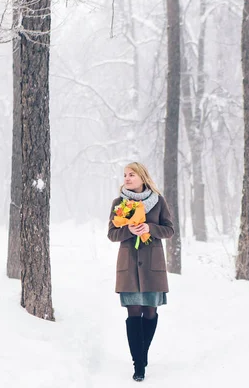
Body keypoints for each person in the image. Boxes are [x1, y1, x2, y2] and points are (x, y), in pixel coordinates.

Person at [107, 162, 174, 382]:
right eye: (125, 175)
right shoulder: (119, 203)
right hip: (129, 267)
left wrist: (149, 228)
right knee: (133, 313)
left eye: (131, 174)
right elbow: (112, 234)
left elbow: (169, 230)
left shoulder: (158, 201)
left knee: (151, 313)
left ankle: (142, 354)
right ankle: (139, 364)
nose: (127, 178)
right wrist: (128, 230)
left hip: (153, 267)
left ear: (142, 177)